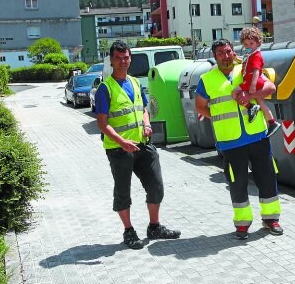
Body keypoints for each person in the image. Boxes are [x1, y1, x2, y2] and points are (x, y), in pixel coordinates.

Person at [95, 40, 180, 250]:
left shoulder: (134, 82)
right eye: (118, 58)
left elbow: (143, 108)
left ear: (130, 58)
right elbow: (102, 123)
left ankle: (154, 226)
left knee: (156, 187)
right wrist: (122, 142)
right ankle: (129, 231)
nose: (123, 62)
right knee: (123, 192)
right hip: (119, 149)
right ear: (111, 61)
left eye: (126, 58)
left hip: (143, 145)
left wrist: (147, 124)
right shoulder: (105, 89)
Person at [195, 39, 283, 240]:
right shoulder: (207, 80)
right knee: (237, 182)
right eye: (220, 53)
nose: (225, 56)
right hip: (231, 140)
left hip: (257, 136)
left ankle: (271, 219)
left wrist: (253, 96)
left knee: (267, 177)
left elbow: (270, 87)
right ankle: (242, 223)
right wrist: (218, 117)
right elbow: (200, 106)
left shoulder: (245, 69)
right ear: (215, 56)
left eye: (228, 51)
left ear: (232, 52)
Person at [233, 27, 282, 137]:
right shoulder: (251, 55)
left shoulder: (256, 56)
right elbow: (246, 63)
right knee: (261, 103)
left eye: (251, 43)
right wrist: (237, 59)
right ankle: (272, 122)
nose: (249, 46)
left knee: (234, 93)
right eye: (246, 44)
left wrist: (253, 85)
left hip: (251, 82)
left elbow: (256, 71)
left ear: (258, 42)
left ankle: (251, 107)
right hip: (252, 81)